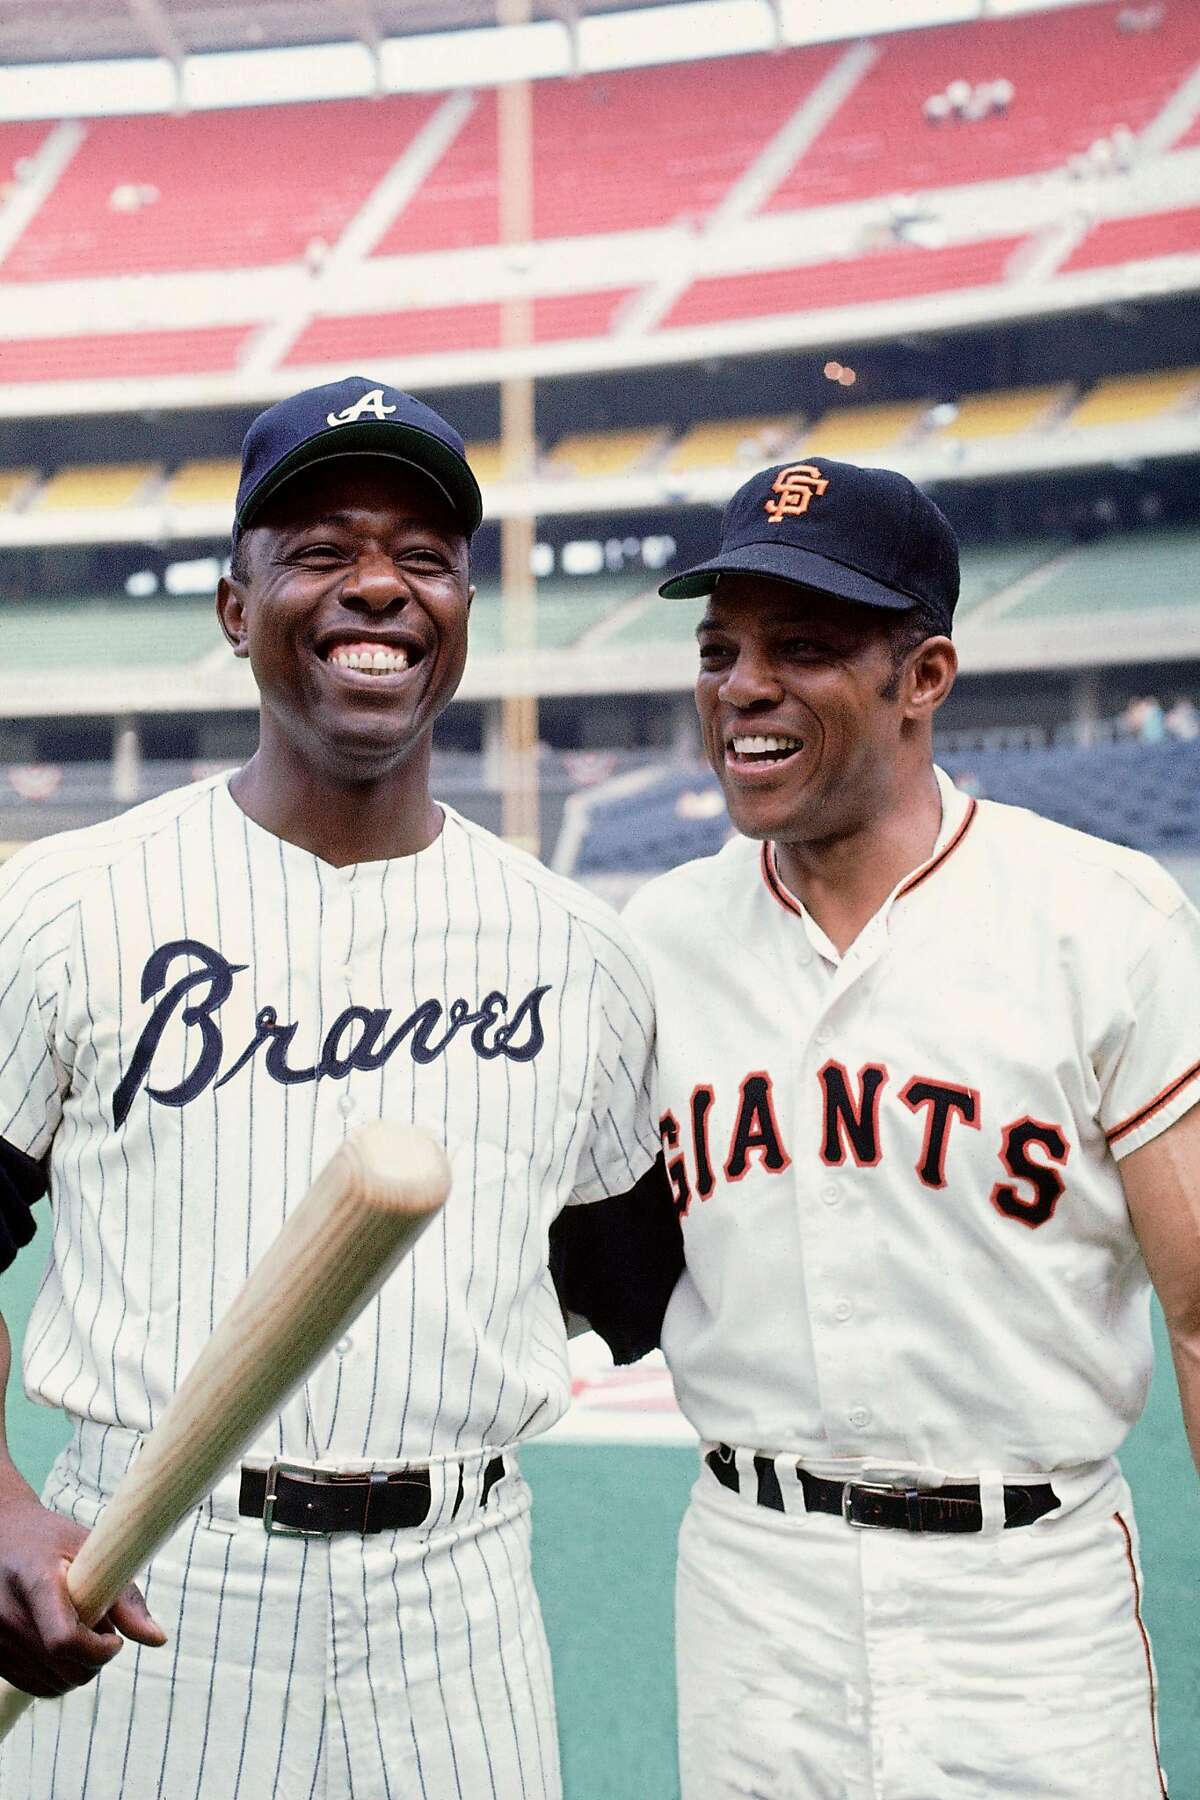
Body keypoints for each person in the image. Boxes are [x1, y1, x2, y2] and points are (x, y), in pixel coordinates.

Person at [0, 375, 675, 1799]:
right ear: (237, 607)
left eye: (423, 557)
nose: (379, 585)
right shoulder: (64, 907)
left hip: (460, 1596)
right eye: (318, 550)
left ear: (465, 610)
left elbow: (640, 1286)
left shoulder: (581, 952)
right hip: (146, 1566)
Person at [622, 458, 1200, 1798]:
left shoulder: (1099, 919)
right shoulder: (653, 944)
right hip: (756, 1584)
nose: (742, 687)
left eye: (804, 648)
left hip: (1028, 1596)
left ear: (924, 677)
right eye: (720, 650)